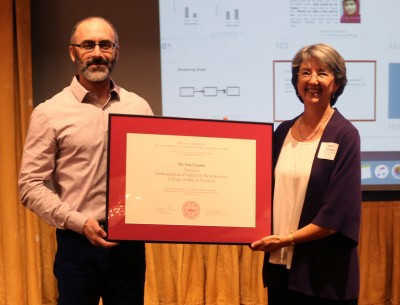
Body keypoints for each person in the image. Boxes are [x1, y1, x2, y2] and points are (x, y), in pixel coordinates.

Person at [18, 16, 153, 305]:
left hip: (128, 245)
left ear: (116, 52)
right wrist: (79, 222)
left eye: (106, 45)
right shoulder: (49, 113)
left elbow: (156, 172)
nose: (97, 53)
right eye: (88, 45)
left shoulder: (139, 107)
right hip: (77, 245)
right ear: (73, 52)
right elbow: (29, 186)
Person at [251, 44, 361, 305]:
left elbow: (337, 214)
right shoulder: (283, 131)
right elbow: (258, 186)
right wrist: (230, 145)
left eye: (322, 73)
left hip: (323, 274)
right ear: (296, 81)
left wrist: (286, 239)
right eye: (305, 73)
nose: (313, 80)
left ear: (336, 84)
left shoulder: (345, 135)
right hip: (280, 270)